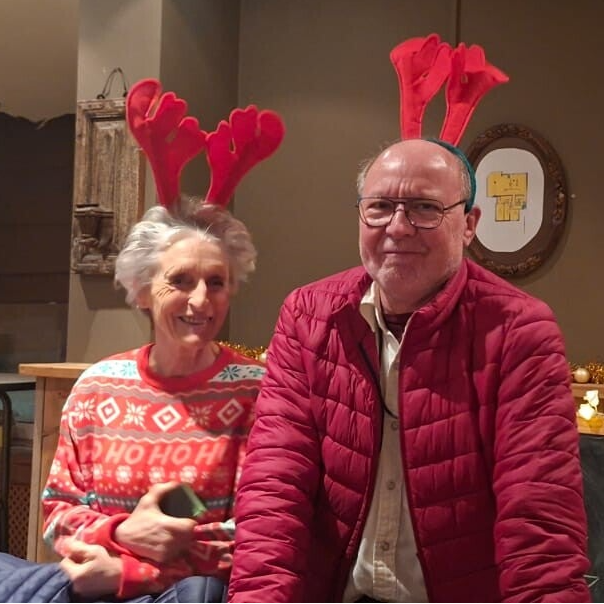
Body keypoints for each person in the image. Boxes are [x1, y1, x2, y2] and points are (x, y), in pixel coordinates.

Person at [227, 35, 591, 603]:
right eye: (380, 207)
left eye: (425, 208)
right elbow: (275, 488)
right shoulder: (308, 315)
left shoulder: (519, 330)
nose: (397, 227)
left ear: (469, 225)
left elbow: (539, 523)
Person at [32, 78, 285, 602]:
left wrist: (133, 574)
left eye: (216, 282)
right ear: (144, 290)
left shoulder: (258, 393)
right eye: (181, 281)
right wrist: (122, 533)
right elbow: (57, 511)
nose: (200, 300)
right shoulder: (97, 387)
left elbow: (262, 533)